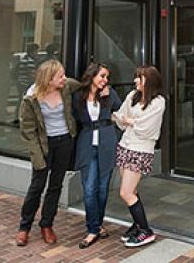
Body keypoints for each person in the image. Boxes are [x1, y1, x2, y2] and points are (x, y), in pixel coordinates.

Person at [15, 60, 81, 247]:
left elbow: (84, 85)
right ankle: (24, 227)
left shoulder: (66, 87)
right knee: (37, 186)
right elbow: (28, 130)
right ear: (49, 79)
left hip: (64, 142)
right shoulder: (31, 97)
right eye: (60, 75)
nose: (65, 78)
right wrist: (37, 155)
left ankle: (47, 224)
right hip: (44, 146)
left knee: (55, 185)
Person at [113, 65, 165, 248]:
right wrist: (129, 121)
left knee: (125, 192)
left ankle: (145, 230)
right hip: (125, 145)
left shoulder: (158, 102)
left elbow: (147, 128)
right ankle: (137, 225)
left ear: (149, 81)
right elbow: (120, 116)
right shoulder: (133, 96)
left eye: (140, 77)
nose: (135, 80)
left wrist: (130, 121)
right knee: (131, 190)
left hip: (141, 150)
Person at [72, 63, 122, 249]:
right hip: (87, 145)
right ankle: (92, 229)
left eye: (107, 77)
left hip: (107, 143)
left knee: (102, 188)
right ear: (92, 76)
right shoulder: (78, 95)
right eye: (102, 76)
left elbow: (121, 110)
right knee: (89, 189)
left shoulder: (110, 93)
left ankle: (97, 225)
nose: (105, 80)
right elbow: (74, 116)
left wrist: (108, 97)